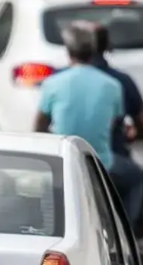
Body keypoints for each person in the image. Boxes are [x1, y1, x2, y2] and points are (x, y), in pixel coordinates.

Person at [34, 21, 124, 187]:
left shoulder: (53, 83)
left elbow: (39, 125)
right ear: (94, 50)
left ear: (68, 50)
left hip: (62, 160)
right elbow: (113, 124)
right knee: (134, 177)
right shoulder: (112, 85)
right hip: (101, 164)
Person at [92, 23, 143, 240]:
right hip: (110, 161)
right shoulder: (120, 81)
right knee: (136, 179)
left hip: (68, 160)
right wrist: (138, 135)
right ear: (107, 46)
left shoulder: (58, 78)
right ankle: (128, 235)